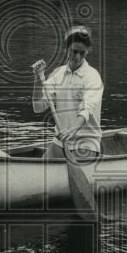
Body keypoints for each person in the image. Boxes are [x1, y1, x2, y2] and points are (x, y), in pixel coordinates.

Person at [32, 25, 104, 159]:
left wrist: (70, 131)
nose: (77, 57)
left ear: (88, 51)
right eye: (74, 51)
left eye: (82, 53)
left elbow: (86, 110)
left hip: (85, 144)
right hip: (60, 142)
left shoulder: (93, 77)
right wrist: (37, 79)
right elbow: (37, 107)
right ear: (66, 49)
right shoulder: (58, 74)